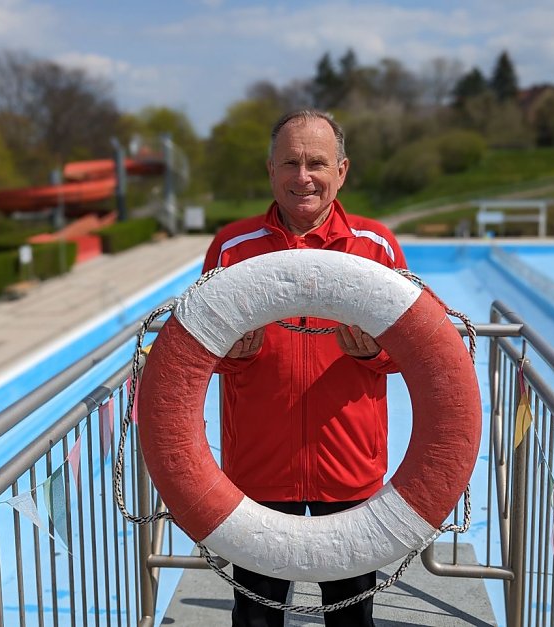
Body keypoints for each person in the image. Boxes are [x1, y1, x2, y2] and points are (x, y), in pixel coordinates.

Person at [202, 109, 407, 627]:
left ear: (342, 170)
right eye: (289, 162)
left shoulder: (376, 246)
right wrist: (235, 354)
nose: (303, 177)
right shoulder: (232, 248)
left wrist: (372, 353)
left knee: (351, 616)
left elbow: (413, 352)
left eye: (316, 162)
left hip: (349, 471)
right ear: (270, 170)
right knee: (256, 618)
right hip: (260, 471)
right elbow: (200, 352)